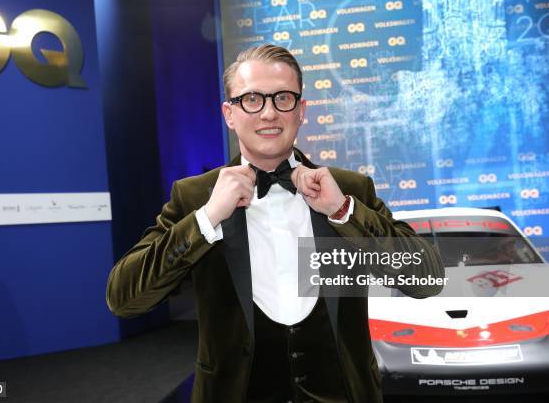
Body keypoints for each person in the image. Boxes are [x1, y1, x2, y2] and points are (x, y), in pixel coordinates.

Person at [106, 44, 444, 403]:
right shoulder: (194, 197)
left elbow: (427, 279)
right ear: (229, 114)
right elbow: (125, 298)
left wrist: (343, 210)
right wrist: (207, 218)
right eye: (252, 99)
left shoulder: (349, 189)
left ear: (301, 111)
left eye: (282, 98)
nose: (268, 113)